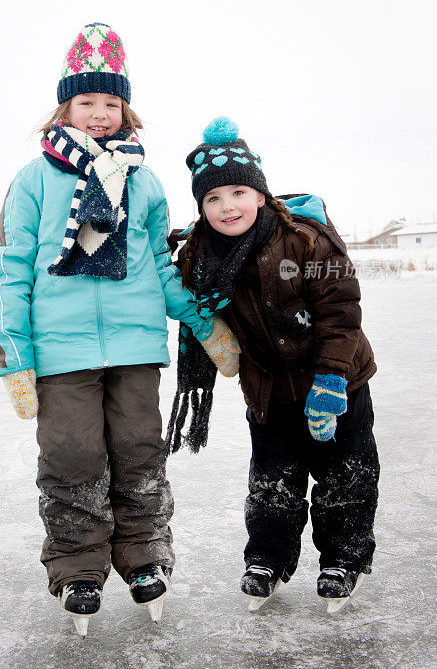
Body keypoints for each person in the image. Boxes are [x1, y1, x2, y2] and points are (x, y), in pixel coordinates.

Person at [0, 24, 237, 636]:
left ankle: (144, 557)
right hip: (60, 349)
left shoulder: (144, 180)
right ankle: (78, 567)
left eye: (110, 103)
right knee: (72, 457)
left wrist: (205, 323)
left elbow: (158, 267)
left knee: (138, 454)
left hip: (133, 346)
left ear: (125, 109)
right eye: (86, 102)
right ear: (64, 107)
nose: (99, 115)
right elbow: (11, 269)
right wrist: (14, 353)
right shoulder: (34, 179)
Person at [167, 116, 380, 613]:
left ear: (260, 194)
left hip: (338, 376)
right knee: (272, 478)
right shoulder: (198, 255)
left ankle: (343, 559)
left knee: (345, 472)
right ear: (201, 207)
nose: (227, 206)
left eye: (238, 191)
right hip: (268, 386)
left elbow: (341, 314)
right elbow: (182, 297)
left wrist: (331, 381)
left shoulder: (306, 240)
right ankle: (267, 558)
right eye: (212, 199)